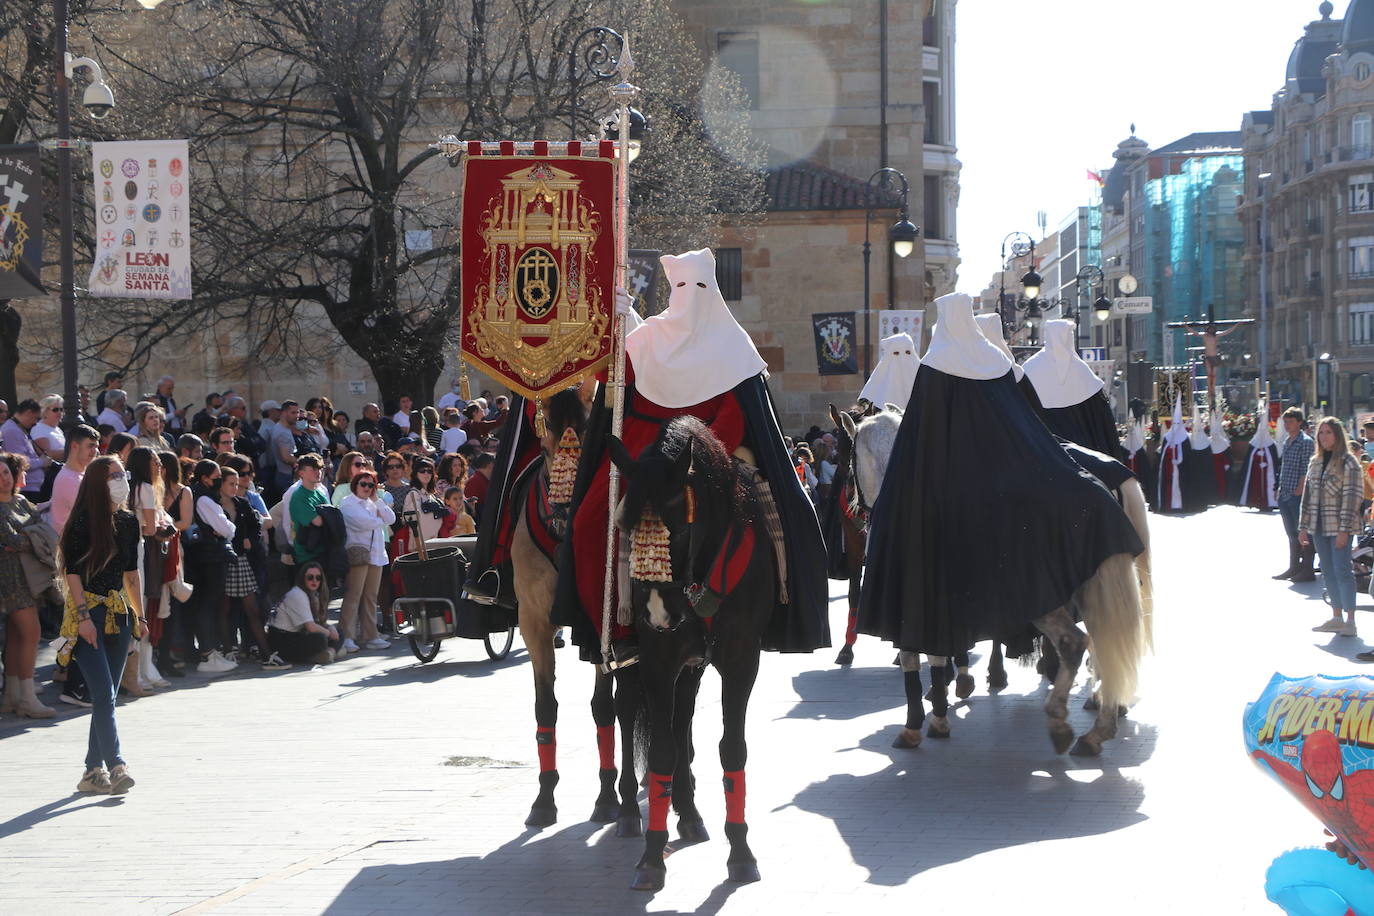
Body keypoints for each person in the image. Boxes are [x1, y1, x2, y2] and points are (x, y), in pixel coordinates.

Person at [551, 250, 829, 661]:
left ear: (713, 289)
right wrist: (611, 330)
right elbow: (610, 380)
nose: (690, 295)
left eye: (699, 286)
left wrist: (698, 453)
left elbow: (736, 412)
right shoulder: (646, 338)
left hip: (707, 449)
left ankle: (778, 605)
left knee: (791, 514)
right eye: (681, 286)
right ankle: (614, 628)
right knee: (589, 521)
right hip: (639, 449)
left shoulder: (734, 344)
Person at [57, 454, 143, 794]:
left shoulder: (128, 522)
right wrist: (82, 617)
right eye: (113, 475)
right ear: (97, 482)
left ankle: (92, 771)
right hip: (87, 612)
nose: (121, 480)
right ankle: (117, 765)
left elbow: (131, 574)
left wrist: (141, 615)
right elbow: (72, 573)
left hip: (118, 613)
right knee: (104, 695)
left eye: (123, 474)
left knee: (106, 697)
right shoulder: (81, 522)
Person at [0, 452, 54, 718]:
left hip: (29, 577)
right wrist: (27, 538)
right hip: (9, 579)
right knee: (31, 634)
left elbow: (36, 532)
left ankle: (12, 696)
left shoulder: (21, 502)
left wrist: (25, 539)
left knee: (16, 636)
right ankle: (27, 697)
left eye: (6, 473)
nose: (4, 480)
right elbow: (20, 539)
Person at [1301, 418, 1364, 638]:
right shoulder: (1315, 462)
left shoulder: (1349, 462)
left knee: (1342, 570)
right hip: (1318, 526)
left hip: (1339, 526)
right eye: (1321, 433)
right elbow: (1308, 497)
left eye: (1329, 432)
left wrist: (1344, 529)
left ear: (1337, 435)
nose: (1324, 436)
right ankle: (1336, 616)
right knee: (1327, 571)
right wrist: (1303, 526)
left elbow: (1353, 497)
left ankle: (1350, 620)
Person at [182, 459, 238, 673]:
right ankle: (208, 654)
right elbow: (226, 529)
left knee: (204, 605)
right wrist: (226, 527)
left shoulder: (201, 495)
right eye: (216, 478)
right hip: (209, 558)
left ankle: (206, 651)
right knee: (207, 606)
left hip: (204, 557)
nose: (218, 481)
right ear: (205, 478)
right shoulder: (204, 498)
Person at [338, 471, 394, 654]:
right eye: (363, 484)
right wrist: (379, 520)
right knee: (353, 596)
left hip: (376, 555)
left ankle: (370, 635)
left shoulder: (373, 502)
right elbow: (363, 523)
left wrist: (377, 500)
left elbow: (391, 518)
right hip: (358, 555)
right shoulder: (347, 502)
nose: (367, 488)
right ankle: (346, 636)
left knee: (371, 597)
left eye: (371, 485)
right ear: (355, 484)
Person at [266, 562, 339, 665]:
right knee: (320, 639)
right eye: (310, 577)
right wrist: (329, 634)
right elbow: (311, 627)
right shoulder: (298, 594)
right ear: (303, 578)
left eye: (318, 578)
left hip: (297, 634)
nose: (314, 581)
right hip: (282, 639)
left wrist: (331, 628)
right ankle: (328, 653)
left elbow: (318, 623)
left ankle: (329, 653)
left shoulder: (314, 594)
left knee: (339, 631)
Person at [1275, 407, 1317, 582]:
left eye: (1291, 421)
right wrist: (1280, 487)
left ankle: (1307, 568)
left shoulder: (1305, 441)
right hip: (1285, 491)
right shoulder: (1287, 441)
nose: (1287, 424)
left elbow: (1306, 467)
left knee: (1303, 532)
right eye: (1285, 421)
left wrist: (1301, 488)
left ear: (1299, 423)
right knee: (1291, 532)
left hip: (1298, 493)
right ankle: (1294, 566)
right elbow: (1284, 466)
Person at [289, 454, 330, 566]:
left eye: (319, 468)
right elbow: (318, 521)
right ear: (301, 473)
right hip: (306, 556)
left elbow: (331, 517)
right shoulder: (299, 496)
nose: (318, 472)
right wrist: (329, 518)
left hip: (323, 552)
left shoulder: (320, 494)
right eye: (313, 469)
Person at [2, 399, 46, 499]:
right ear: (28, 413)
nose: (36, 423)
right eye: (36, 418)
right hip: (26, 489)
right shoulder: (12, 431)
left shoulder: (17, 429)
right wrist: (42, 462)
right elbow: (18, 462)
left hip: (31, 488)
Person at [31, 395, 67, 464]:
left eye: (61, 409)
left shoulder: (58, 430)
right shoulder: (38, 429)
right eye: (55, 410)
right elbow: (46, 455)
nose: (60, 412)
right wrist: (71, 451)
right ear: (44, 411)